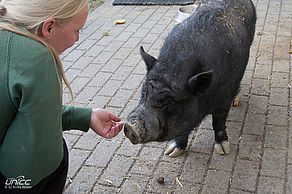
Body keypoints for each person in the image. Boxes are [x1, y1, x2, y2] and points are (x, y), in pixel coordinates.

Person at [0, 0, 124, 193]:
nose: (78, 38)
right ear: (49, 26)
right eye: (77, 30)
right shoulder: (36, 57)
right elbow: (36, 150)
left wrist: (85, 117)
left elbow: (25, 114)